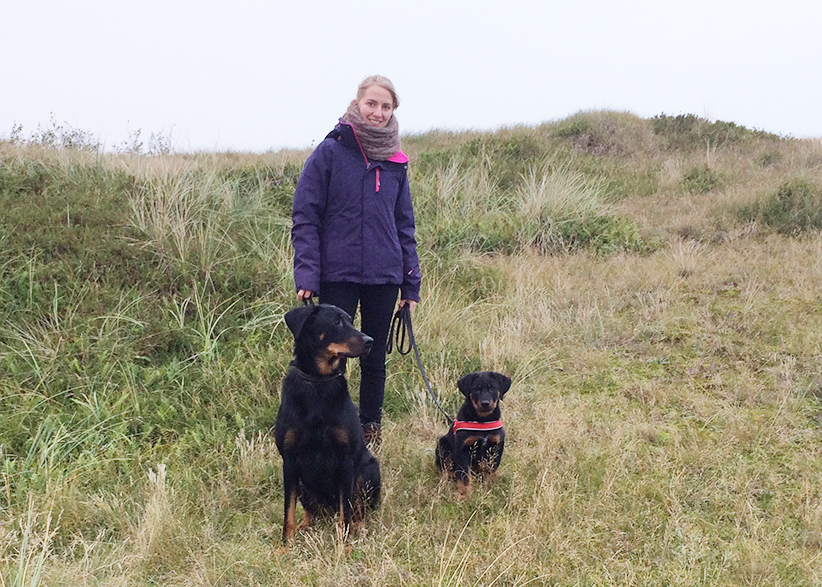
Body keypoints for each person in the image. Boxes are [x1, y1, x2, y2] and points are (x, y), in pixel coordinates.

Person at [291, 75, 421, 446]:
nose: (378, 112)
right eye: (371, 104)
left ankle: (369, 431)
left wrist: (410, 284)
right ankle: (329, 428)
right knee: (334, 354)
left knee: (374, 356)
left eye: (386, 106)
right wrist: (307, 273)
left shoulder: (396, 161)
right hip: (338, 273)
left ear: (393, 110)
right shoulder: (330, 151)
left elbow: (404, 225)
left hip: (385, 275)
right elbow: (305, 215)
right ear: (357, 104)